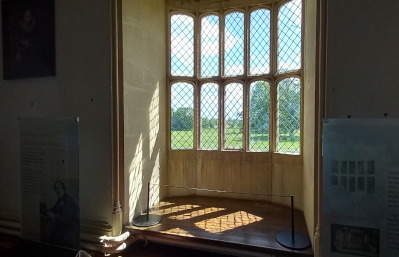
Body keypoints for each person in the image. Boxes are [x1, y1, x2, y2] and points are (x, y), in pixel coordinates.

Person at [46, 181, 79, 249]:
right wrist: (47, 210)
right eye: (56, 189)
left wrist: (54, 216)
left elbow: (67, 219)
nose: (57, 191)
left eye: (59, 188)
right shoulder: (60, 199)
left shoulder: (69, 200)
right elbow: (55, 208)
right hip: (62, 228)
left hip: (69, 230)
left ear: (63, 189)